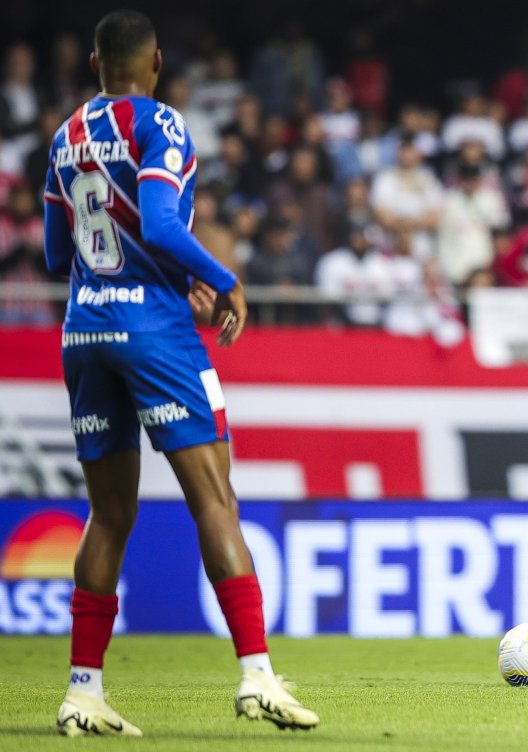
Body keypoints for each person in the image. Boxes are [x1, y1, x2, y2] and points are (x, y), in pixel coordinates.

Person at [40, 11, 317, 735]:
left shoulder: (66, 134)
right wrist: (222, 279)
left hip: (83, 328)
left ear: (98, 63)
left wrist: (153, 269)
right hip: (154, 335)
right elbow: (162, 225)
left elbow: (52, 252)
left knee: (109, 514)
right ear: (156, 62)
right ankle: (257, 677)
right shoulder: (160, 124)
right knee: (215, 501)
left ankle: (83, 692)